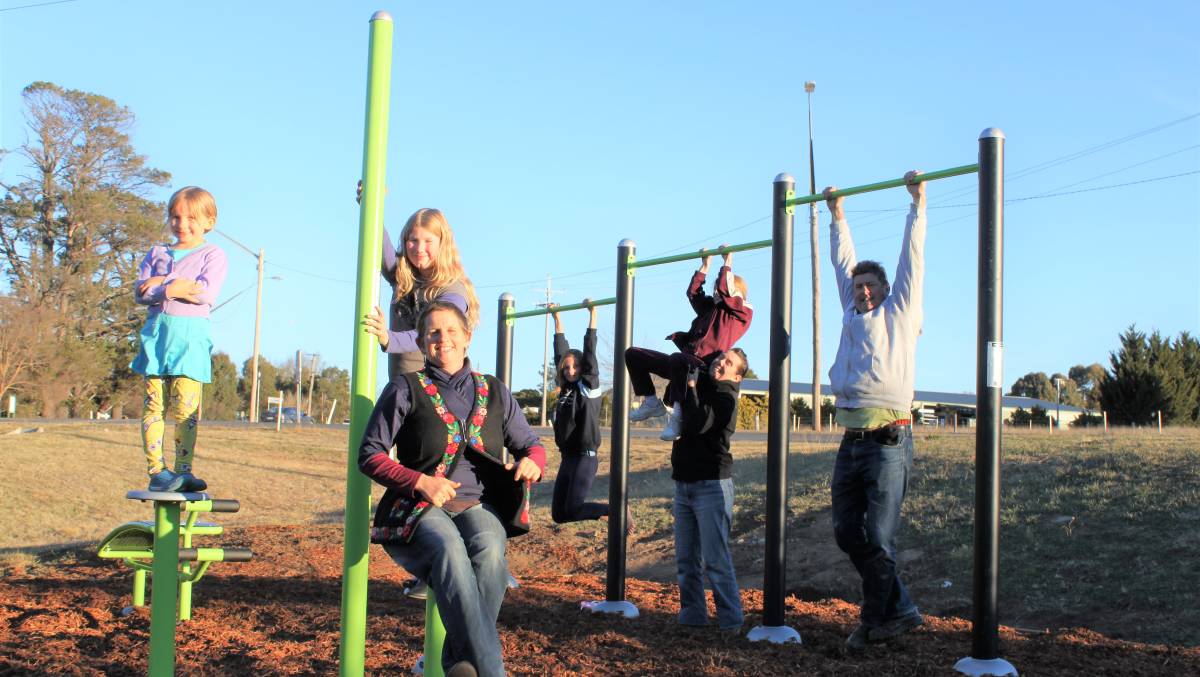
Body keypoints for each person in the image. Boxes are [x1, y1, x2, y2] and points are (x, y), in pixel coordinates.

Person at [359, 300, 545, 677]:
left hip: (480, 503)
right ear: (421, 341)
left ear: (467, 337)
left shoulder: (495, 391)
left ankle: (456, 662)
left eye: (451, 331)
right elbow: (370, 454)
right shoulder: (404, 388)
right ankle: (493, 672)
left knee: (492, 554)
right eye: (433, 333)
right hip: (420, 508)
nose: (443, 339)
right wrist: (420, 482)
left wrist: (533, 464)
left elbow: (532, 446)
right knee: (449, 549)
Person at [823, 171, 927, 652]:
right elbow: (842, 260)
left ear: (885, 291)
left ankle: (873, 622)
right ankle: (900, 608)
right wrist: (837, 215)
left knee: (879, 539)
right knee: (848, 532)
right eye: (858, 285)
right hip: (852, 441)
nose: (863, 291)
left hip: (889, 438)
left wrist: (917, 205)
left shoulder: (897, 315)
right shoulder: (850, 312)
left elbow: (912, 263)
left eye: (870, 286)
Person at [131, 186, 227, 492]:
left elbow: (205, 293)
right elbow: (140, 292)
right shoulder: (157, 253)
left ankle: (183, 470)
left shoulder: (213, 254)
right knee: (154, 405)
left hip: (190, 342)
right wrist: (170, 289)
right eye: (175, 216)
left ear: (209, 221)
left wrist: (162, 283)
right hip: (157, 337)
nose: (182, 224)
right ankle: (157, 470)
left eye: (191, 218)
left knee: (186, 409)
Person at [625, 248, 752, 441]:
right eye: (715, 291)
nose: (717, 293)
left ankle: (677, 418)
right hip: (683, 361)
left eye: (722, 291)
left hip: (701, 367)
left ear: (737, 295)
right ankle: (651, 401)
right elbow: (693, 293)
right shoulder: (710, 308)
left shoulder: (741, 314)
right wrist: (705, 265)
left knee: (679, 359)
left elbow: (727, 290)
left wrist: (728, 262)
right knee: (633, 354)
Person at [359, 197, 480, 383]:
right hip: (403, 385)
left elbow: (430, 331)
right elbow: (380, 249)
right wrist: (371, 204)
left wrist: (388, 337)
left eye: (428, 241)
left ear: (442, 244)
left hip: (439, 388)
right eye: (413, 240)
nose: (419, 248)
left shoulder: (452, 291)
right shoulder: (405, 278)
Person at [670, 348, 748, 632]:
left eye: (729, 363)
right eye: (720, 358)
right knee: (686, 560)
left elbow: (697, 422)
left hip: (711, 487)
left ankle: (731, 622)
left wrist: (690, 387)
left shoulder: (726, 398)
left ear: (737, 376)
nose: (721, 363)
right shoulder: (704, 384)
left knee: (715, 560)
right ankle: (692, 617)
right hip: (683, 486)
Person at [548, 302, 613, 525]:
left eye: (575, 366)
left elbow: (590, 352)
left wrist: (593, 315)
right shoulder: (566, 388)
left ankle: (615, 510)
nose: (571, 370)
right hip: (567, 458)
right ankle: (604, 512)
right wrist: (557, 317)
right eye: (567, 368)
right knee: (560, 514)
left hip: (585, 456)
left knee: (574, 508)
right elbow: (559, 352)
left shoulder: (588, 388)